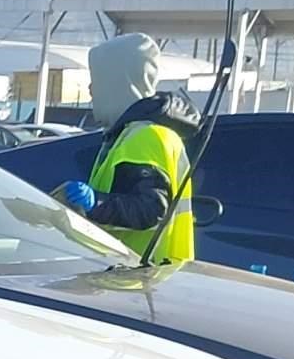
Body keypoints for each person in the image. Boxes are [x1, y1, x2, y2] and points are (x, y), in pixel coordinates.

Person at [68, 32, 205, 265]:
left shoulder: (145, 137)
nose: (91, 90)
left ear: (117, 84)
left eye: (98, 81)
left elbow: (150, 209)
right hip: (144, 273)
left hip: (140, 273)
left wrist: (96, 203)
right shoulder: (133, 134)